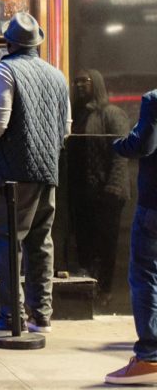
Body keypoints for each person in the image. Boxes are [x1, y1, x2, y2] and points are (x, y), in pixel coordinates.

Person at [0, 13, 70, 335]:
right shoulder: (57, 75)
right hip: (48, 170)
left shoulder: (4, 69)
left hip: (12, 171)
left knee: (8, 241)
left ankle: (11, 317)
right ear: (37, 43)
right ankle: (41, 316)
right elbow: (66, 127)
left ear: (8, 42)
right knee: (42, 241)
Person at [105, 90, 157, 385]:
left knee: (145, 277)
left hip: (154, 205)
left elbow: (144, 144)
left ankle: (149, 357)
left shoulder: (154, 99)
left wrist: (119, 144)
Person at [69, 69, 130, 298]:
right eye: (76, 82)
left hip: (107, 191)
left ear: (96, 83)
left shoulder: (112, 114)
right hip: (83, 190)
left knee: (106, 245)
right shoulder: (76, 114)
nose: (79, 86)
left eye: (84, 81)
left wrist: (113, 188)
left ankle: (105, 291)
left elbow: (120, 154)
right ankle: (88, 288)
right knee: (84, 242)